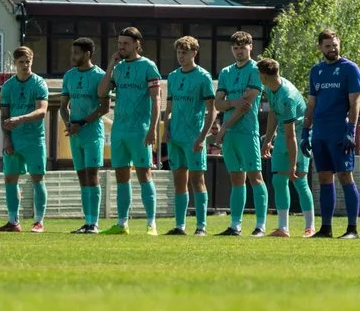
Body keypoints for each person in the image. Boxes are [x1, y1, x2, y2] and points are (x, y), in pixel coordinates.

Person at [101, 28, 162, 235]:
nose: (121, 47)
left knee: (145, 175)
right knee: (121, 177)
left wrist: (153, 129)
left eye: (125, 43)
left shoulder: (148, 66)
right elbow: (102, 92)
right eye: (119, 43)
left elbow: (156, 100)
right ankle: (122, 223)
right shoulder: (117, 69)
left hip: (140, 131)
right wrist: (110, 65)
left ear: (137, 44)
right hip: (119, 131)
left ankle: (151, 223)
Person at [306, 28, 360, 239]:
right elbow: (311, 104)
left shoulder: (350, 69)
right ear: (320, 47)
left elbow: (355, 102)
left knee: (345, 175)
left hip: (340, 131)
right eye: (328, 46)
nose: (332, 49)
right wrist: (306, 130)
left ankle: (352, 229)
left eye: (335, 45)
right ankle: (326, 228)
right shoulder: (316, 70)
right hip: (320, 132)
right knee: (324, 178)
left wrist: (351, 129)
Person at [159, 36, 216, 236]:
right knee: (179, 181)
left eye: (185, 52)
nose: (181, 56)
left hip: (194, 138)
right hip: (176, 137)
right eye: (179, 52)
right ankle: (180, 226)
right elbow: (169, 106)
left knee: (197, 180)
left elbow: (212, 111)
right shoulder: (173, 76)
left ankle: (201, 226)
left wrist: (202, 137)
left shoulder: (203, 77)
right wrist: (166, 129)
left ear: (194, 53)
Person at [211, 31, 264, 239]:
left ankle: (260, 225)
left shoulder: (256, 70)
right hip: (231, 135)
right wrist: (232, 102)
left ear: (251, 46)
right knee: (236, 179)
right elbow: (218, 103)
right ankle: (235, 225)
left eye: (242, 47)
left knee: (256, 177)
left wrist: (223, 127)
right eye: (235, 48)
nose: (239, 51)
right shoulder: (225, 72)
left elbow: (246, 106)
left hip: (247, 131)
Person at [0, 46, 52, 233]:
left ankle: (39, 222)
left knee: (37, 179)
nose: (25, 65)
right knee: (10, 179)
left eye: (28, 61)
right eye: (21, 62)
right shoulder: (8, 86)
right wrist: (6, 140)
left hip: (34, 139)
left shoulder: (39, 83)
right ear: (15, 63)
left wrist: (20, 119)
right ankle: (13, 221)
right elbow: (4, 115)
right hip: (14, 140)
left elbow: (42, 111)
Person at [57, 38, 110, 234]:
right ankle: (86, 221)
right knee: (81, 177)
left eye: (77, 53)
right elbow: (63, 106)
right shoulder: (69, 76)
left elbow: (104, 107)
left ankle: (94, 223)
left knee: (92, 175)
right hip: (75, 134)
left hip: (92, 134)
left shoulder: (100, 76)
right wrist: (69, 123)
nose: (73, 56)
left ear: (88, 54)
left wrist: (82, 123)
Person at [260, 58, 312, 236]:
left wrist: (293, 163)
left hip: (298, 135)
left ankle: (310, 227)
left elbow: (292, 135)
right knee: (278, 180)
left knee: (299, 180)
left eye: (259, 74)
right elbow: (273, 114)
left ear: (265, 76)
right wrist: (268, 140)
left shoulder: (287, 97)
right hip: (283, 135)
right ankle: (283, 228)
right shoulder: (269, 88)